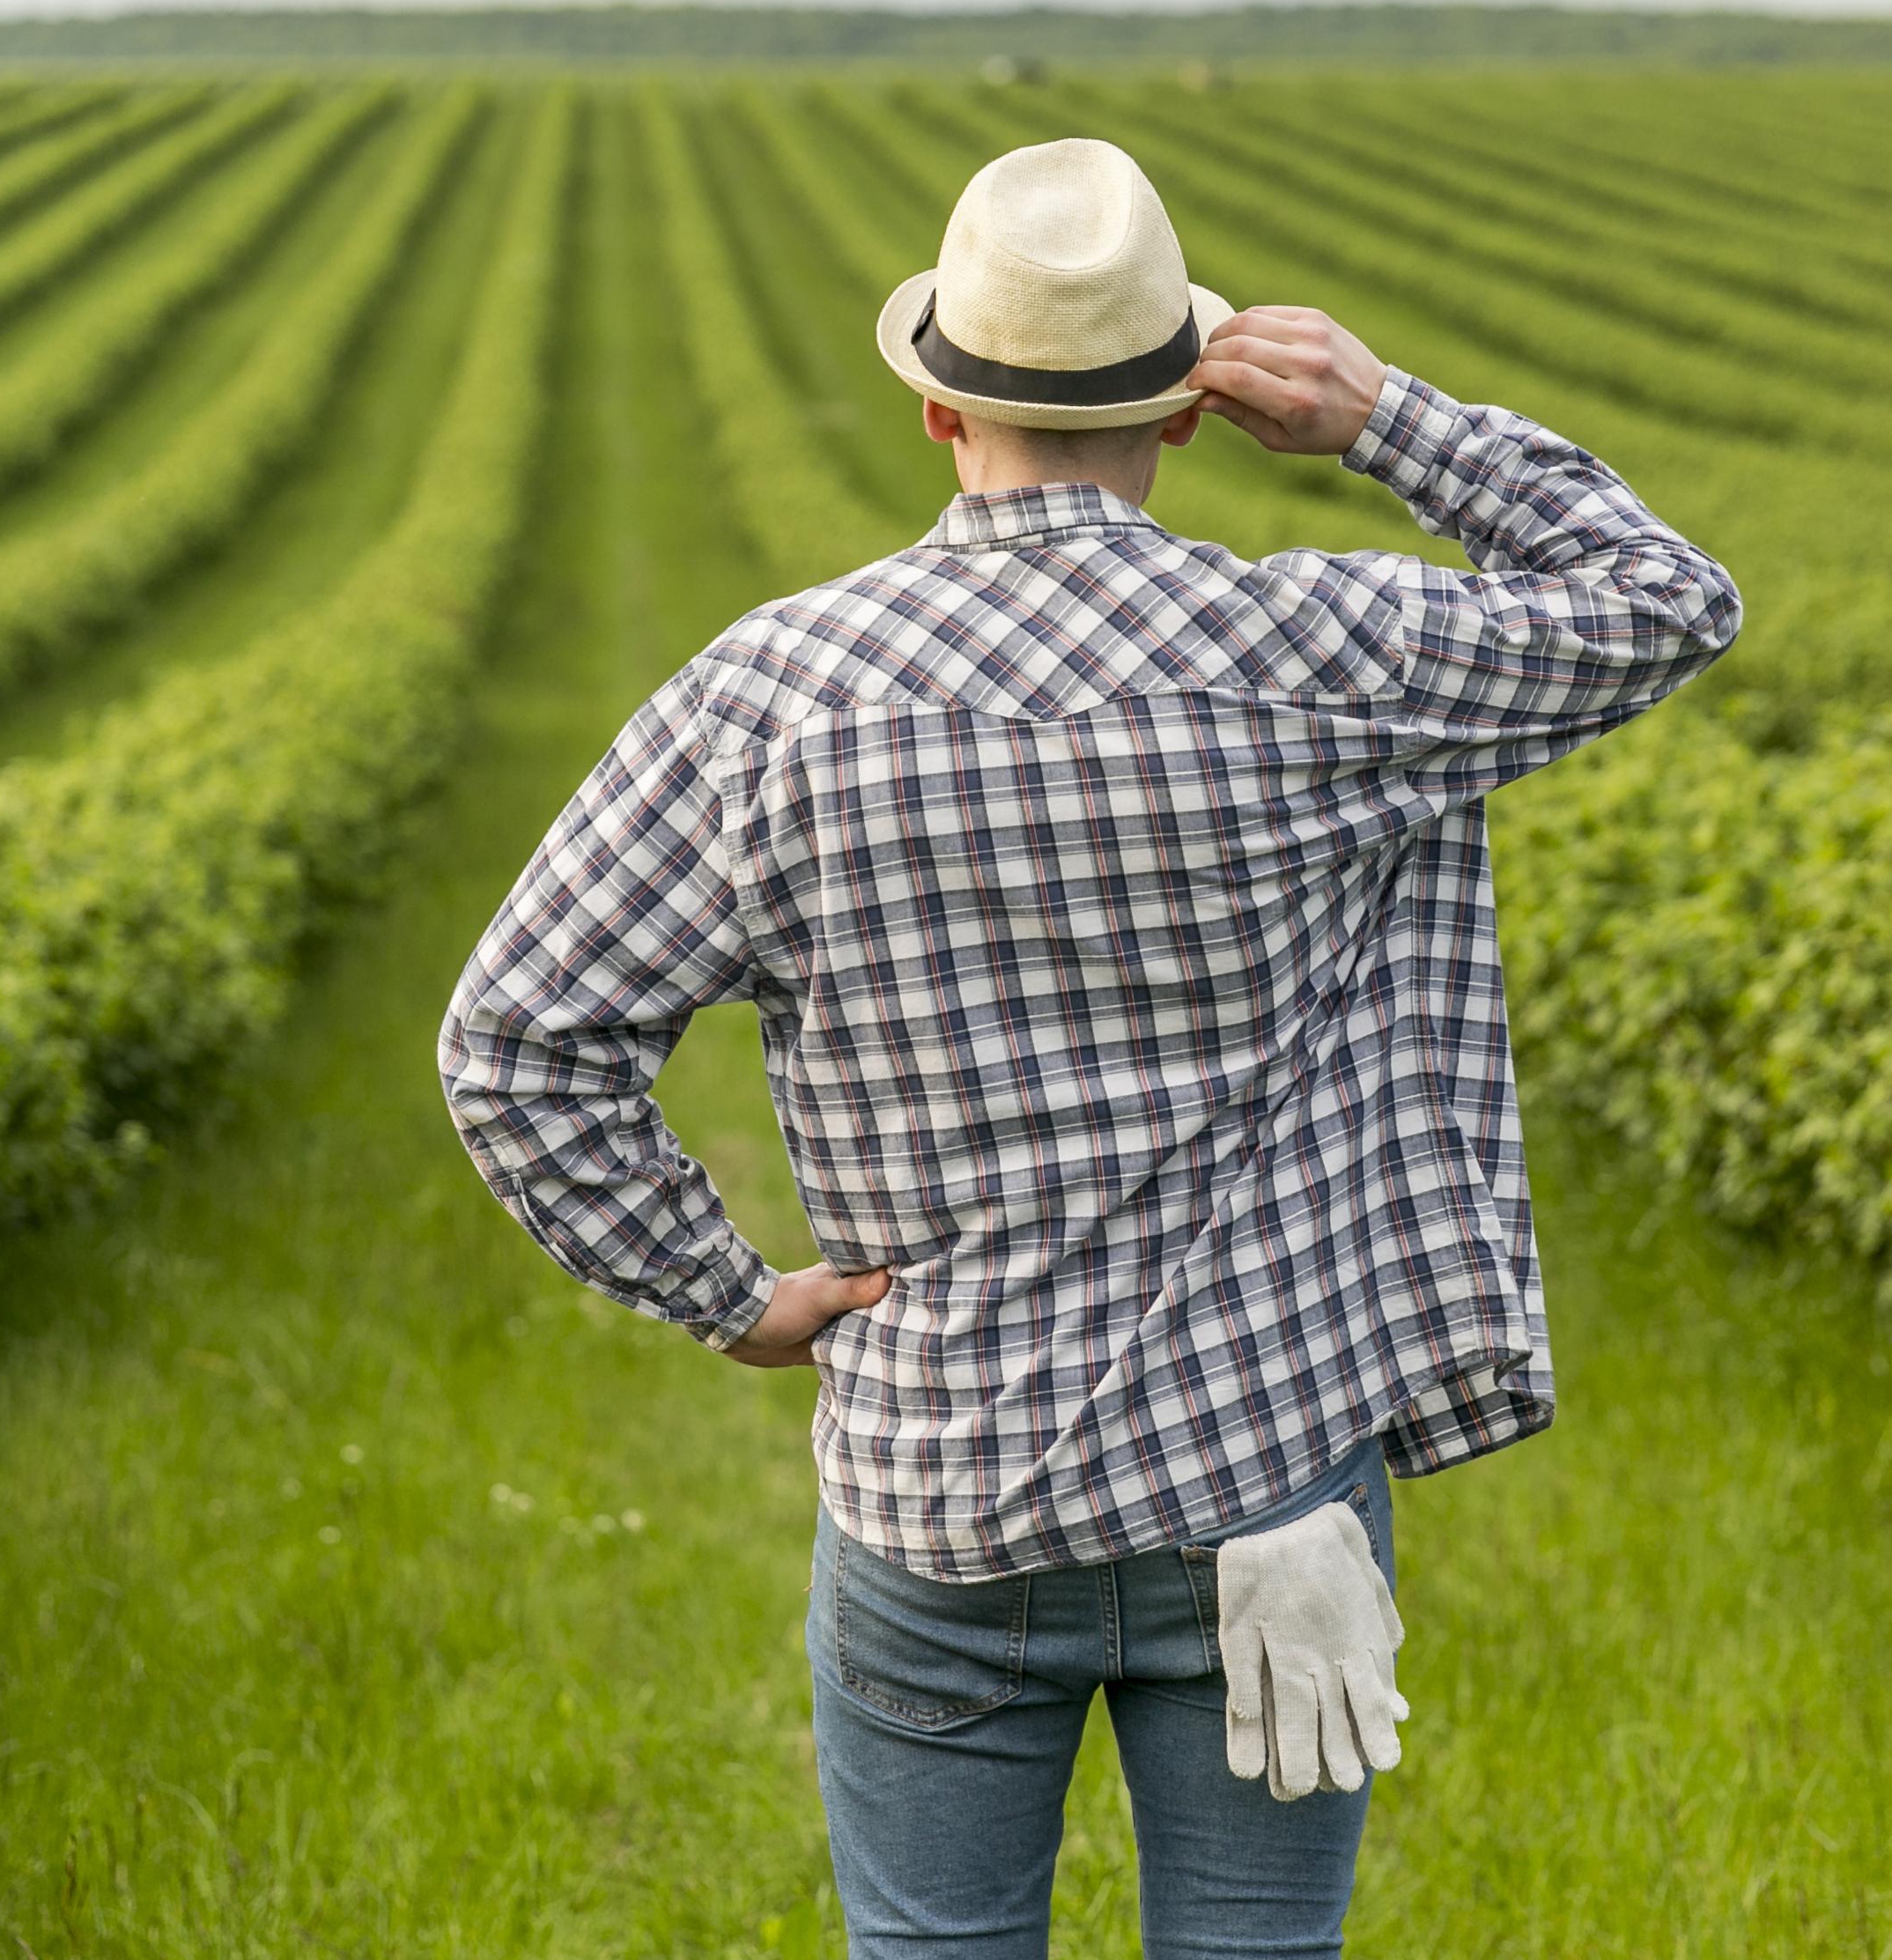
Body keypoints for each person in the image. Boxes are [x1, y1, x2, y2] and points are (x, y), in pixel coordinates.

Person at [440, 137, 1740, 1956]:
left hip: (939, 1482)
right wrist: (1385, 419)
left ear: (936, 415)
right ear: (1189, 411)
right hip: (1265, 1482)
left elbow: (515, 1045)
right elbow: (1666, 596)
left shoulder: (769, 694)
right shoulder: (1317, 650)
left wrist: (726, 1290)